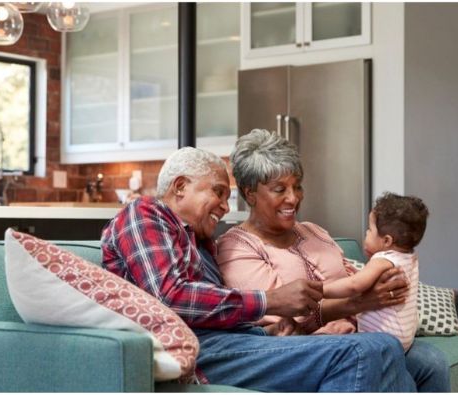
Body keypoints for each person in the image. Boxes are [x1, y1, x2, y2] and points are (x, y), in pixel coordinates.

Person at [101, 146, 417, 392]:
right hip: (198, 351)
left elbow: (219, 311)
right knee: (367, 351)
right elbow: (171, 296)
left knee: (393, 353)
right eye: (219, 192)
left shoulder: (199, 240)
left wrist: (269, 329)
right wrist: (270, 301)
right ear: (181, 186)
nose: (226, 207)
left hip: (234, 342)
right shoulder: (143, 215)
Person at [217, 129, 449, 391]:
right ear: (250, 194)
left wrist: (386, 284)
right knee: (391, 365)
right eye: (279, 189)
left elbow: (353, 277)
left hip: (358, 332)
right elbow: (281, 315)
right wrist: (359, 303)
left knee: (432, 361)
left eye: (298, 186)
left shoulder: (315, 232)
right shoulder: (236, 248)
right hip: (311, 349)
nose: (293, 198)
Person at [322, 192, 428, 352]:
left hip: (381, 340)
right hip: (404, 339)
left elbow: (354, 286)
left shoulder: (383, 258)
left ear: (387, 241)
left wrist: (320, 290)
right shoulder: (409, 258)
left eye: (369, 230)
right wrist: (362, 271)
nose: (366, 233)